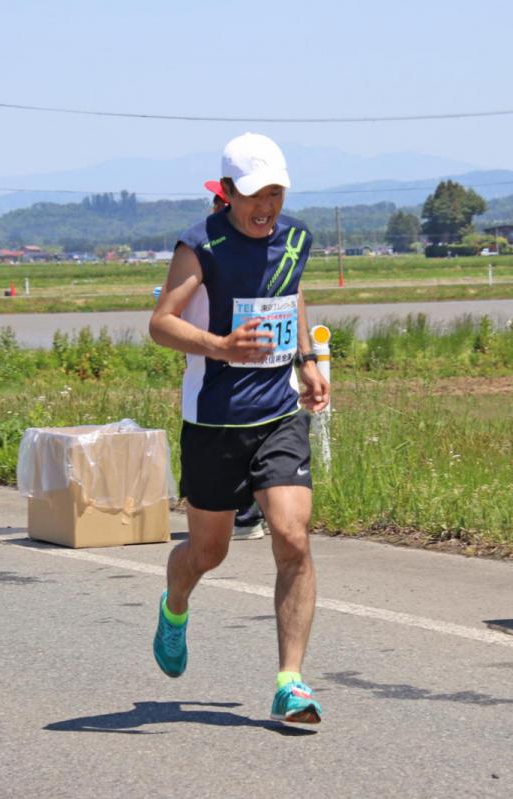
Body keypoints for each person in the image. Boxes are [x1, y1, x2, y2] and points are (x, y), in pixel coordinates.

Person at [149, 132, 329, 724]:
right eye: (255, 195)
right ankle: (175, 607)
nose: (266, 208)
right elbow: (161, 324)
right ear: (226, 193)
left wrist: (307, 361)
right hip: (214, 422)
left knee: (293, 536)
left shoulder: (297, 237)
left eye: (275, 194)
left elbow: (291, 291)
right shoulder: (201, 245)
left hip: (278, 414)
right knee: (208, 551)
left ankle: (291, 682)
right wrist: (221, 347)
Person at [202, 177, 268, 542]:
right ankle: (248, 511)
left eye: (219, 201)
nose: (216, 207)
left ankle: (246, 514)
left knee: (245, 435)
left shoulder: (236, 251)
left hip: (246, 363)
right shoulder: (207, 246)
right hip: (225, 360)